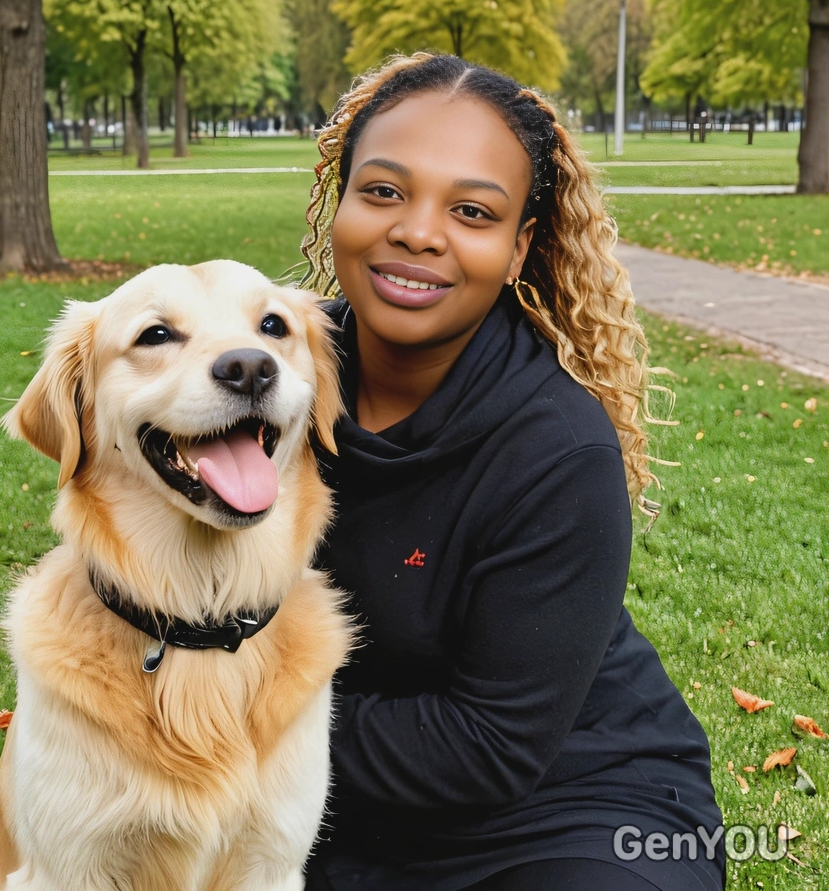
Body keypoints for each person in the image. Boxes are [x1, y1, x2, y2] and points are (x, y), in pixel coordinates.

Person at [294, 53, 726, 891]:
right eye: (382, 191)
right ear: (339, 202)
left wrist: (216, 721)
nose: (418, 231)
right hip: (329, 802)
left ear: (519, 245)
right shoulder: (264, 384)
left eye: (471, 210)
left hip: (567, 809)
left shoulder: (558, 450)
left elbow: (488, 749)